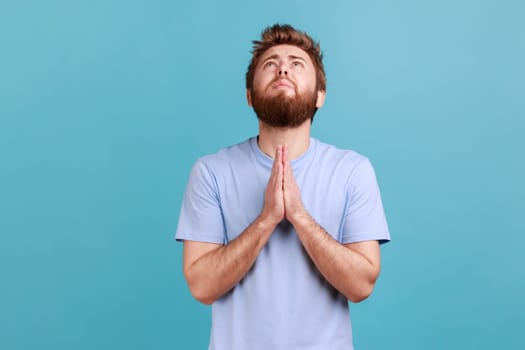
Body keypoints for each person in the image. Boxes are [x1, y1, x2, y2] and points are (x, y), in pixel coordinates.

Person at [175, 23, 390, 350]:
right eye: (270, 64)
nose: (283, 69)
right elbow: (202, 287)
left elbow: (361, 285)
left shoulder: (352, 170)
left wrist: (300, 217)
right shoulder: (211, 172)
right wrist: (267, 219)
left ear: (320, 95)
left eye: (296, 63)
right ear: (249, 96)